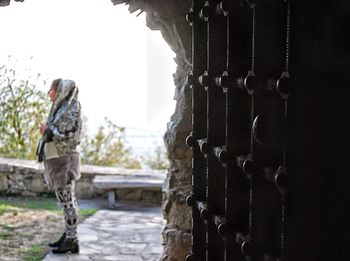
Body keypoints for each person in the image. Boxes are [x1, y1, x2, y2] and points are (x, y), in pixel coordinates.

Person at [38, 78, 82, 254]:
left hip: (64, 160)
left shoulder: (71, 108)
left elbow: (68, 133)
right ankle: (69, 236)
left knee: (67, 201)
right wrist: (48, 129)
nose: (49, 93)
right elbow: (58, 129)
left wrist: (47, 131)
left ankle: (71, 241)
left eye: (51, 89)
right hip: (58, 159)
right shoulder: (61, 107)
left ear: (61, 91)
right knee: (66, 201)